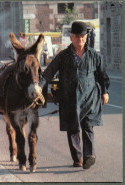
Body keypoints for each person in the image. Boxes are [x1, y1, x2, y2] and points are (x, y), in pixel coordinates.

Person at [39, 21, 110, 169]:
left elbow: (102, 75)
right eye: (77, 37)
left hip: (89, 97)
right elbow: (48, 73)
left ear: (86, 37)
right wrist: (39, 87)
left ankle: (89, 156)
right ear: (71, 37)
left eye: (83, 37)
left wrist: (105, 91)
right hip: (70, 98)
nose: (81, 39)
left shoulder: (93, 56)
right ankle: (78, 158)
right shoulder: (63, 56)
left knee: (88, 126)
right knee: (73, 129)